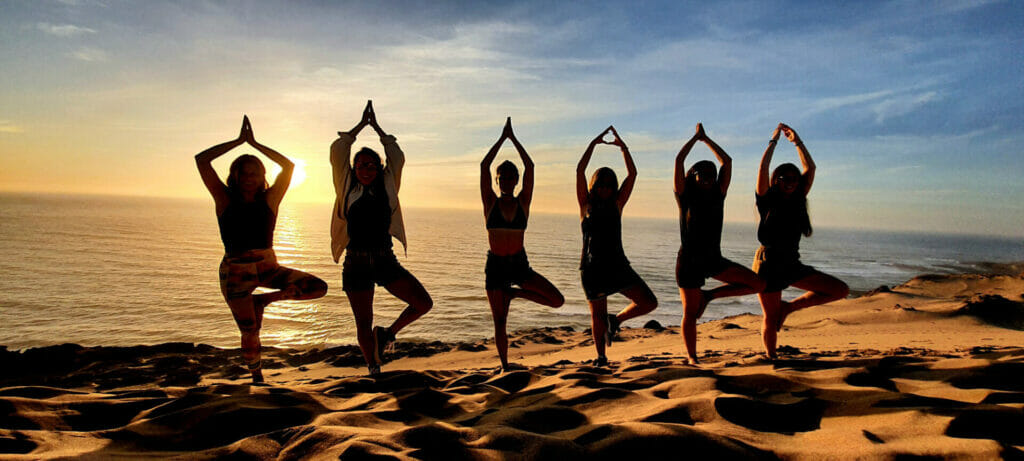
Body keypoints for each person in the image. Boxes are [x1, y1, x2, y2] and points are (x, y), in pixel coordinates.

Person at [195, 116, 328, 383]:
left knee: (318, 287)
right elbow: (202, 160)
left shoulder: (270, 199)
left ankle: (264, 300)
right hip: (236, 273)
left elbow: (288, 166)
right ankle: (257, 376)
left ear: (262, 177)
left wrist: (255, 144)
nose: (249, 178)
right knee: (250, 330)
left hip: (268, 268)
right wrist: (238, 142)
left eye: (254, 173)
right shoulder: (223, 198)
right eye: (243, 173)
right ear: (235, 176)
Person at [330, 101, 433, 375]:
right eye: (361, 165)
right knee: (363, 322)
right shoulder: (346, 187)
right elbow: (338, 151)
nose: (366, 170)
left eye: (371, 165)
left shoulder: (388, 186)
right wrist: (360, 126)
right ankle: (373, 369)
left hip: (385, 260)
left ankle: (387, 333)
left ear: (379, 168)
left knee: (423, 303)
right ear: (354, 168)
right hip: (356, 263)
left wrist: (377, 128)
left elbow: (396, 156)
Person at [754, 123, 849, 359]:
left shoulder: (798, 199)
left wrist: (797, 142)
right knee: (770, 317)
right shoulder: (766, 199)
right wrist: (773, 141)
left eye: (795, 179)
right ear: (776, 180)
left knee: (839, 289)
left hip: (791, 263)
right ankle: (771, 357)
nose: (790, 182)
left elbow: (810, 167)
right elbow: (763, 168)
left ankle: (789, 307)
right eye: (785, 178)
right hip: (768, 263)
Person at [674, 123, 765, 364]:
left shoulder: (719, 194)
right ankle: (692, 357)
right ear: (693, 176)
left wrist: (706, 140)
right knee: (690, 313)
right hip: (689, 261)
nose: (708, 179)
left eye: (711, 176)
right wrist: (695, 139)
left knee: (757, 284)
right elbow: (679, 160)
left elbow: (727, 161)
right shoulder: (685, 196)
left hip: (713, 258)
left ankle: (709, 296)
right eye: (703, 175)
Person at [481, 117, 565, 371]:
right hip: (496, 267)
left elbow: (530, 166)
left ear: (516, 180)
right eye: (502, 177)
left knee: (557, 300)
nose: (506, 181)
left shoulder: (523, 202)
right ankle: (505, 366)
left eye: (511, 177)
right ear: (497, 181)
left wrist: (514, 139)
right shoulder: (490, 203)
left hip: (519, 265)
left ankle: (514, 294)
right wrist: (501, 139)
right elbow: (484, 165)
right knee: (500, 321)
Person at [576, 126, 658, 367]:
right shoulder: (585, 205)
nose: (605, 189)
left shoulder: (617, 204)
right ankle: (601, 357)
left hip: (617, 265)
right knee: (597, 315)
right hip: (592, 268)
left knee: (649, 302)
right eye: (600, 184)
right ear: (594, 185)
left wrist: (624, 148)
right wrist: (593, 144)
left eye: (609, 185)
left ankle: (617, 320)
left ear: (613, 187)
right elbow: (580, 170)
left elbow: (632, 174)